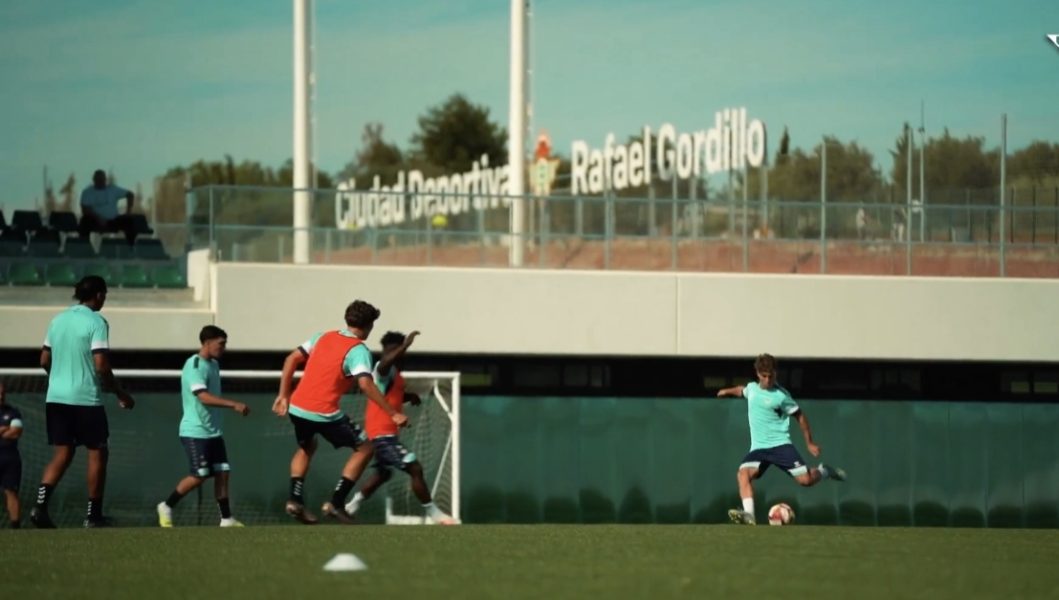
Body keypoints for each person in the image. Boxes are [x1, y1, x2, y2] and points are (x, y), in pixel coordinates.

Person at [271, 300, 408, 524]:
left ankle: (294, 499)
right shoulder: (358, 350)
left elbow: (291, 359)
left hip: (297, 407)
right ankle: (336, 502)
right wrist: (393, 413)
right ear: (369, 325)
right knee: (365, 447)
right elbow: (365, 385)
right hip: (323, 412)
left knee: (307, 446)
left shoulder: (322, 336)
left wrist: (283, 395)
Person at [31, 276, 135, 528]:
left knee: (63, 453)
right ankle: (93, 515)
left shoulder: (57, 320)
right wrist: (120, 393)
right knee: (98, 452)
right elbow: (101, 365)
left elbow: (44, 360)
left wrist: (58, 379)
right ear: (98, 295)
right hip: (85, 399)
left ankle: (40, 508)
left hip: (55, 398)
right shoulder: (97, 321)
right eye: (105, 294)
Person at [716, 353, 846, 525]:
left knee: (805, 481)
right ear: (757, 374)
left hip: (780, 445)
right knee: (742, 474)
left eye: (771, 376)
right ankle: (749, 516)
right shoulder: (753, 389)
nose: (768, 379)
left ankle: (824, 471)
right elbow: (742, 390)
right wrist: (727, 391)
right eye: (764, 376)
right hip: (759, 448)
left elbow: (800, 416)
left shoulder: (781, 395)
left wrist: (809, 443)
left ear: (776, 374)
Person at [344, 331, 457, 525]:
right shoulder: (383, 368)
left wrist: (409, 396)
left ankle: (350, 506)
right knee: (415, 468)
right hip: (381, 435)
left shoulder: (396, 376)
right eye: (392, 350)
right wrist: (403, 346)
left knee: (383, 473)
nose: (396, 353)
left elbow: (388, 394)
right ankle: (435, 513)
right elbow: (384, 364)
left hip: (383, 435)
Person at [156, 326, 250, 528]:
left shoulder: (214, 364)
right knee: (200, 475)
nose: (224, 348)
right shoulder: (195, 365)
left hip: (213, 431)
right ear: (207, 343)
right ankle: (166, 506)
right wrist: (233, 404)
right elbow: (203, 396)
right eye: (221, 344)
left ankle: (226, 519)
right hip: (195, 431)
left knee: (223, 471)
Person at [79, 169, 138, 245]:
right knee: (84, 221)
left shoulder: (112, 189)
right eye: (98, 179)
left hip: (113, 220)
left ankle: (131, 247)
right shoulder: (87, 192)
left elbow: (130, 195)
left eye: (102, 179)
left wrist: (128, 211)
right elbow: (85, 209)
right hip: (95, 220)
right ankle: (83, 246)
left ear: (105, 179)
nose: (100, 181)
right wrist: (98, 218)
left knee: (129, 221)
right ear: (94, 180)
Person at [0, 383, 25, 529]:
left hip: (10, 459)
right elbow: (9, 430)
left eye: (3, 392)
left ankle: (15, 527)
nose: (1, 396)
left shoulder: (13, 412)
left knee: (11, 491)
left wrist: (7, 430)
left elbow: (16, 431)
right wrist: (4, 429)